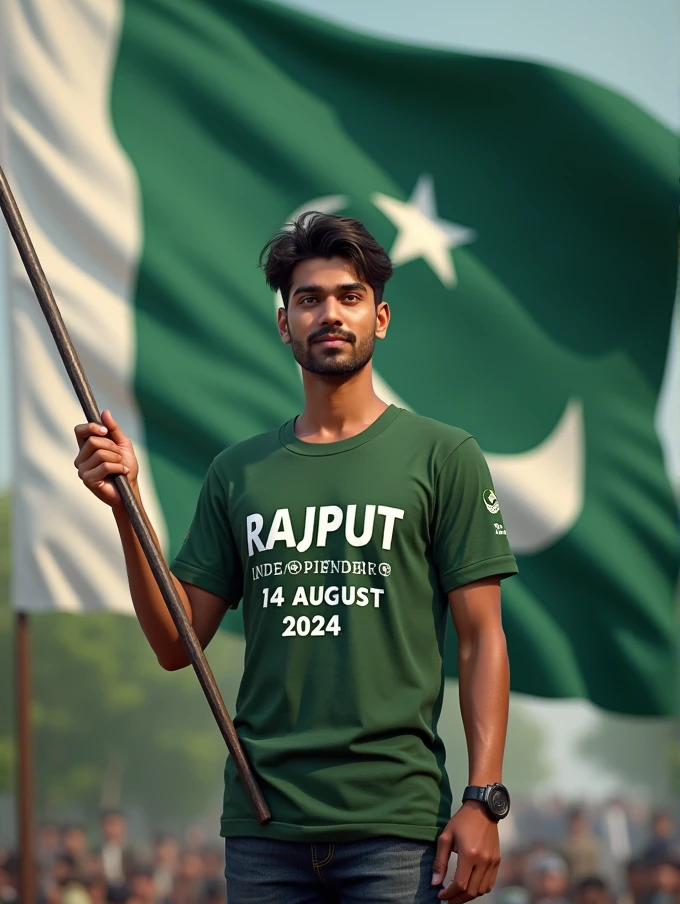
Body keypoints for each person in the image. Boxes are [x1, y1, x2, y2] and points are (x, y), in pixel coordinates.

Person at [74, 212, 518, 903]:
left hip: (395, 829)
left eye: (349, 297)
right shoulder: (238, 472)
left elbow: (482, 636)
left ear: (382, 317)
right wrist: (126, 511)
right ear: (285, 324)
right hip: (263, 826)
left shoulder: (444, 456)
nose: (329, 314)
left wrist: (483, 799)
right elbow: (174, 643)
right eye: (309, 299)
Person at [560, 809, 602, 884]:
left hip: (591, 884)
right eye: (574, 822)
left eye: (579, 822)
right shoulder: (563, 846)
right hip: (570, 884)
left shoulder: (595, 844)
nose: (577, 825)